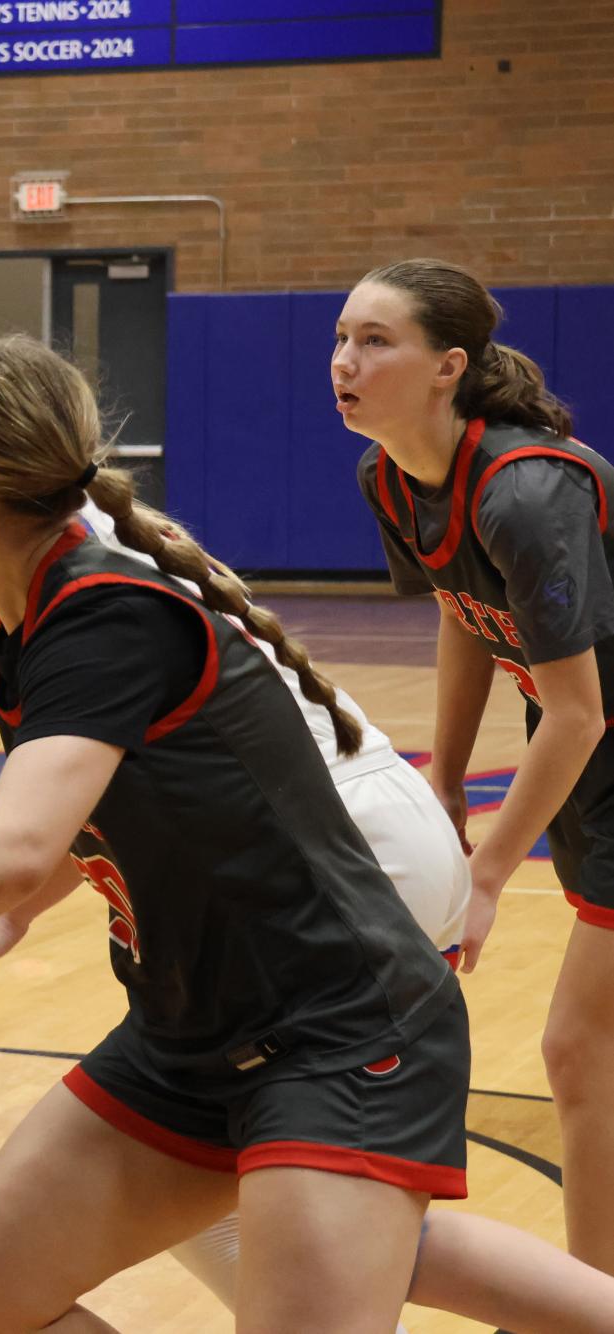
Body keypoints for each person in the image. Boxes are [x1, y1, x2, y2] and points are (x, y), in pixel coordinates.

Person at [0, 328, 614, 1332]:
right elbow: (81, 822)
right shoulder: (17, 614)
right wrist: (6, 916)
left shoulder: (103, 607)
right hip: (196, 1027)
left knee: (323, 1264)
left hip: (335, 1025)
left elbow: (8, 852)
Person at [0, 315, 471, 1323]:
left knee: (233, 1175)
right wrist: (9, 913)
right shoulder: (26, 549)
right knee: (216, 1173)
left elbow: (89, 799)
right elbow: (115, 794)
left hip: (341, 852)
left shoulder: (50, 573)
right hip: (348, 834)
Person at [344, 257, 614, 1275]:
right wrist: (446, 775)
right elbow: (464, 611)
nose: (345, 360)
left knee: (581, 1051)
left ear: (448, 365)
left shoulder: (528, 492)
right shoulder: (391, 474)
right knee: (592, 1057)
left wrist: (490, 872)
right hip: (596, 765)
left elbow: (577, 711)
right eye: (340, 337)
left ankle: (593, 1299)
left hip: (597, 745)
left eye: (377, 340)